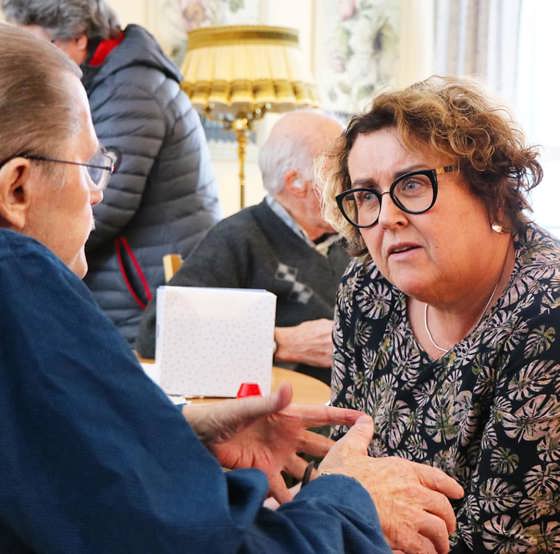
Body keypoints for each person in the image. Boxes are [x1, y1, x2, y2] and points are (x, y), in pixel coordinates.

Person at [0, 25, 466, 554]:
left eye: (411, 186)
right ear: (17, 189)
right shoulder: (24, 281)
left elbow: (63, 462)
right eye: (90, 166)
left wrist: (175, 434)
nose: (98, 191)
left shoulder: (354, 254)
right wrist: (349, 501)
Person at [322, 75, 560, 552]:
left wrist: (340, 505)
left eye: (411, 184)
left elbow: (504, 543)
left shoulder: (546, 312)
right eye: (366, 195)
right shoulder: (368, 290)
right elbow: (343, 461)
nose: (386, 216)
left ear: (489, 189)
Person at [1, 0, 221, 344]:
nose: (36, 61)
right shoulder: (118, 80)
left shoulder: (131, 88)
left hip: (139, 295)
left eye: (43, 46)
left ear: (77, 38)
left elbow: (105, 202)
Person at [137, 111, 349, 384]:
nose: (352, 185)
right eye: (339, 174)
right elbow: (158, 335)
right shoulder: (239, 238)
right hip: (294, 411)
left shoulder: (358, 238)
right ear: (295, 183)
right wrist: (278, 343)